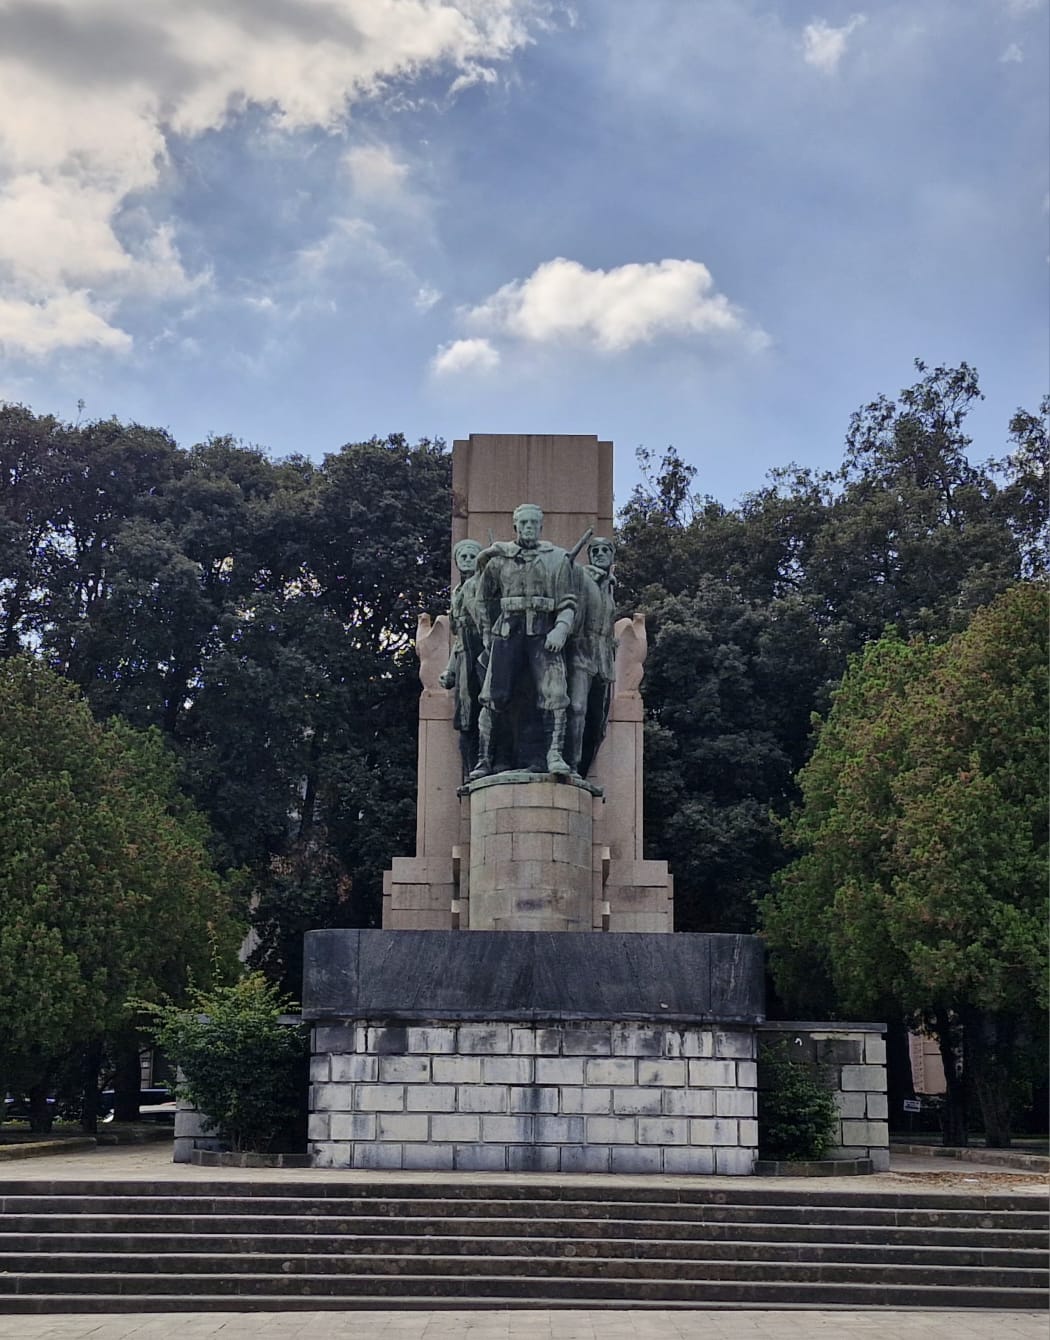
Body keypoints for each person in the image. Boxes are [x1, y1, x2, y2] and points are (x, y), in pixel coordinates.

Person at [469, 504, 576, 779]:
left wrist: (561, 629)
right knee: (493, 695)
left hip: (543, 631)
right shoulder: (499, 559)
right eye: (523, 523)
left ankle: (554, 754)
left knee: (554, 692)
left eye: (533, 523)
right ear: (515, 526)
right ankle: (483, 759)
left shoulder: (558, 559)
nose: (528, 527)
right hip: (507, 631)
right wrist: (485, 633)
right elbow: (481, 599)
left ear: (541, 527)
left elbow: (568, 604)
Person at [566, 536, 617, 776]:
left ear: (612, 555)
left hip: (604, 659)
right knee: (576, 708)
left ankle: (582, 769)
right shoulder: (583, 577)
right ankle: (571, 764)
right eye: (594, 550)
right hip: (581, 653)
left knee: (597, 721)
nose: (599, 554)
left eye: (604, 550)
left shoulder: (610, 585)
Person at [439, 538, 484, 777]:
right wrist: (450, 670)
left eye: (472, 556)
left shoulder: (484, 585)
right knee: (466, 715)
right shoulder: (456, 592)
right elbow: (457, 638)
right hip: (465, 653)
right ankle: (470, 768)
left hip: (484, 649)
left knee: (488, 708)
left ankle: (486, 761)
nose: (467, 560)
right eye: (463, 557)